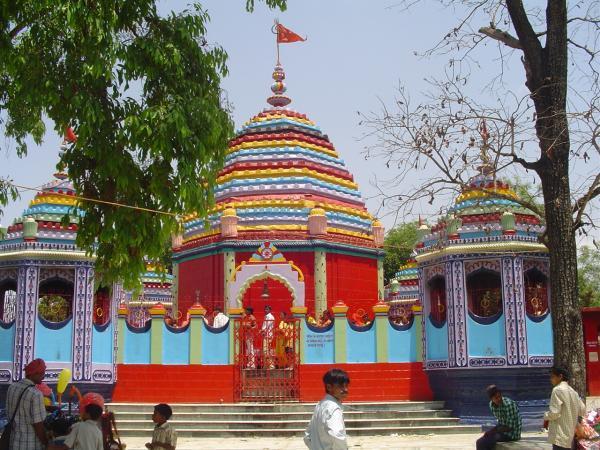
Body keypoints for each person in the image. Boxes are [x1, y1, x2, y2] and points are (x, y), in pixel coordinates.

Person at [6, 358, 49, 450]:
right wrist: (46, 443)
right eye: (42, 374)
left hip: (13, 443)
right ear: (33, 374)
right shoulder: (35, 394)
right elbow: (38, 426)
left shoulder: (11, 387)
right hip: (30, 445)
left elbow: (17, 410)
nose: (43, 377)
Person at [304, 368, 350, 450]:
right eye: (341, 386)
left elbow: (307, 436)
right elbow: (337, 436)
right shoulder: (333, 408)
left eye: (346, 386)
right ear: (329, 387)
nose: (345, 390)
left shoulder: (320, 405)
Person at [544, 366, 586, 450]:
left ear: (560, 376)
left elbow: (554, 413)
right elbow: (582, 410)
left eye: (552, 377)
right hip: (571, 435)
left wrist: (545, 416)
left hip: (559, 435)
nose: (551, 380)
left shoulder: (557, 390)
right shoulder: (573, 391)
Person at [475, 385, 522, 450]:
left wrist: (492, 432)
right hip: (502, 431)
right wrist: (490, 432)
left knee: (483, 442)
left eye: (500, 396)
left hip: (512, 434)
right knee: (480, 441)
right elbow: (501, 423)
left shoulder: (509, 405)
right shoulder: (491, 405)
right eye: (496, 398)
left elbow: (510, 427)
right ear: (491, 399)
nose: (499, 399)